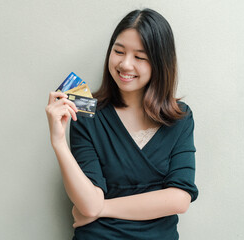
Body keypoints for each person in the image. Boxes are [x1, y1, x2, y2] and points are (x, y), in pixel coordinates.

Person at [45, 8, 198, 240]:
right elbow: (88, 203)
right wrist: (58, 141)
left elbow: (179, 199)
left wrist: (103, 208)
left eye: (140, 57)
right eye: (118, 51)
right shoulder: (87, 113)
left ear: (159, 63)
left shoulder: (180, 118)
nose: (125, 64)